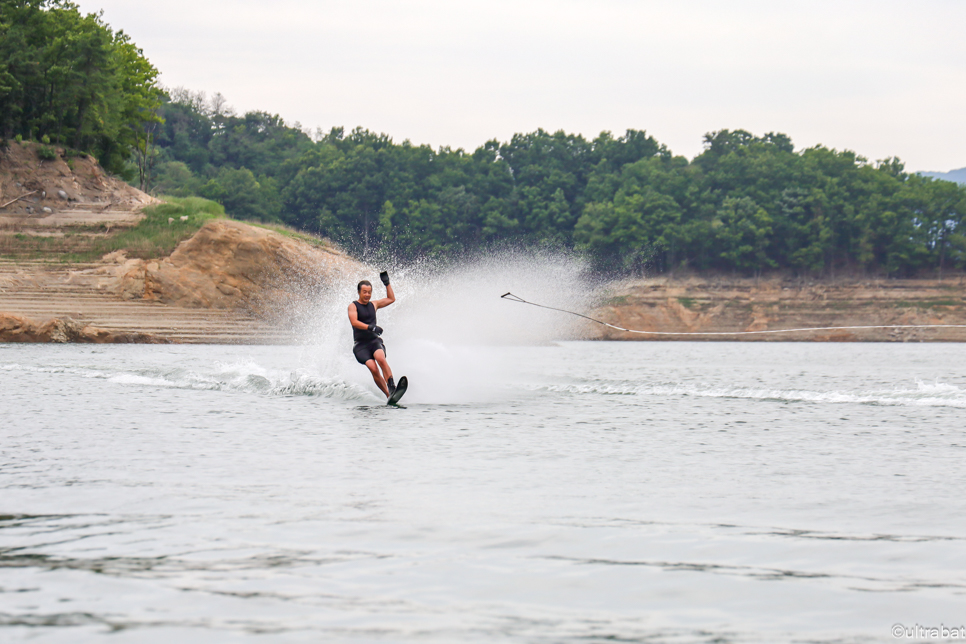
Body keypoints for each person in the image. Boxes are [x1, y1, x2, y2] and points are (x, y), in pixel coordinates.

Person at [348, 272, 396, 397]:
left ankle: (392, 386)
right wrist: (371, 327)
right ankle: (388, 395)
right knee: (373, 369)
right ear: (359, 292)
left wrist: (387, 283)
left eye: (369, 292)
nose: (367, 294)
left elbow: (391, 299)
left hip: (374, 341)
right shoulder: (353, 306)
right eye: (364, 292)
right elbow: (354, 322)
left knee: (381, 359)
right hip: (360, 346)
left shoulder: (374, 304)